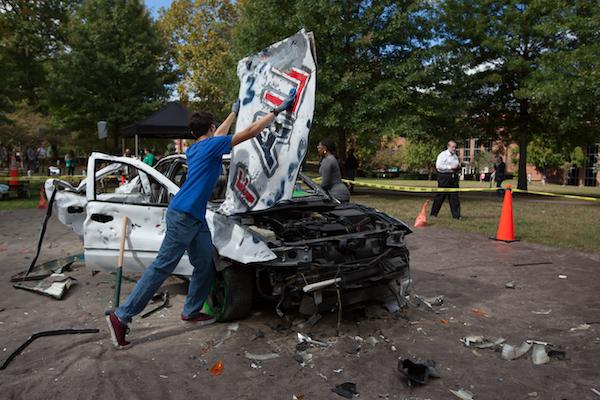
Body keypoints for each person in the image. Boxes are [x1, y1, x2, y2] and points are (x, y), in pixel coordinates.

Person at [106, 91, 297, 348]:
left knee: (205, 263)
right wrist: (277, 111)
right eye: (214, 125)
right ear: (208, 127)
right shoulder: (209, 146)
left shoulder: (198, 147)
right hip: (184, 215)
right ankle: (122, 316)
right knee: (162, 267)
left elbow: (218, 134)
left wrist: (233, 112)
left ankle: (191, 310)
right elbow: (251, 131)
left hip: (193, 217)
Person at [430, 140, 461, 219]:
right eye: (452, 147)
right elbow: (439, 166)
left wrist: (457, 167)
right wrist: (450, 167)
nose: (454, 149)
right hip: (444, 177)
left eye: (455, 147)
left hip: (454, 177)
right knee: (440, 196)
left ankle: (456, 216)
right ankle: (433, 214)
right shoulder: (442, 155)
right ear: (448, 147)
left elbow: (456, 165)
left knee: (454, 196)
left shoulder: (455, 156)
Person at [318, 138, 350, 202]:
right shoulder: (331, 158)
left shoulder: (328, 160)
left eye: (319, 147)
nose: (318, 150)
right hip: (341, 193)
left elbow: (325, 183)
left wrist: (317, 190)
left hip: (337, 194)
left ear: (324, 148)